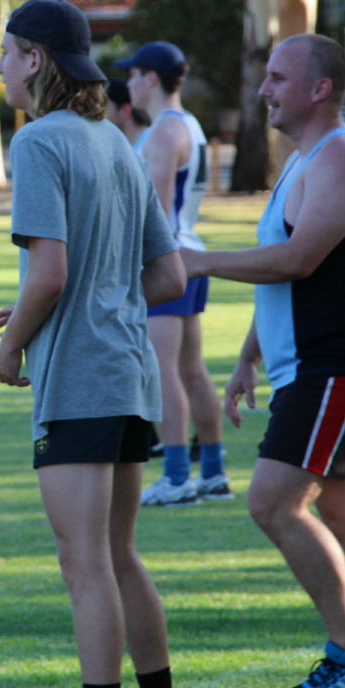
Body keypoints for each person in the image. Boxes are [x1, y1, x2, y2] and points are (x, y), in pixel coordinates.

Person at [182, 33, 345, 688]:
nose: (264, 90)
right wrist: (247, 358)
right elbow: (286, 273)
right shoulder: (305, 161)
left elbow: (299, 261)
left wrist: (199, 263)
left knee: (272, 502)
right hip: (318, 371)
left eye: (277, 78)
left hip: (337, 371)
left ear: (320, 88)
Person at [0, 0, 190, 688]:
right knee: (119, 554)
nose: (3, 68)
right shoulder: (114, 141)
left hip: (79, 379)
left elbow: (47, 275)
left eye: (8, 54)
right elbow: (167, 276)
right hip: (129, 373)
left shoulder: (39, 142)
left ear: (36, 59)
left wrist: (11, 350)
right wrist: (93, 298)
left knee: (85, 565)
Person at [119, 43, 229, 507]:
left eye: (133, 75)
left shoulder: (163, 132)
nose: (127, 84)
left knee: (163, 368)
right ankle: (214, 472)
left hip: (171, 261)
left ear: (151, 78)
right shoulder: (189, 125)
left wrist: (139, 268)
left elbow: (157, 215)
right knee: (191, 368)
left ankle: (179, 476)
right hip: (191, 254)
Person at [104, 79, 151, 147]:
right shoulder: (118, 147)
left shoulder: (152, 143)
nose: (101, 114)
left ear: (126, 110)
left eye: (105, 108)